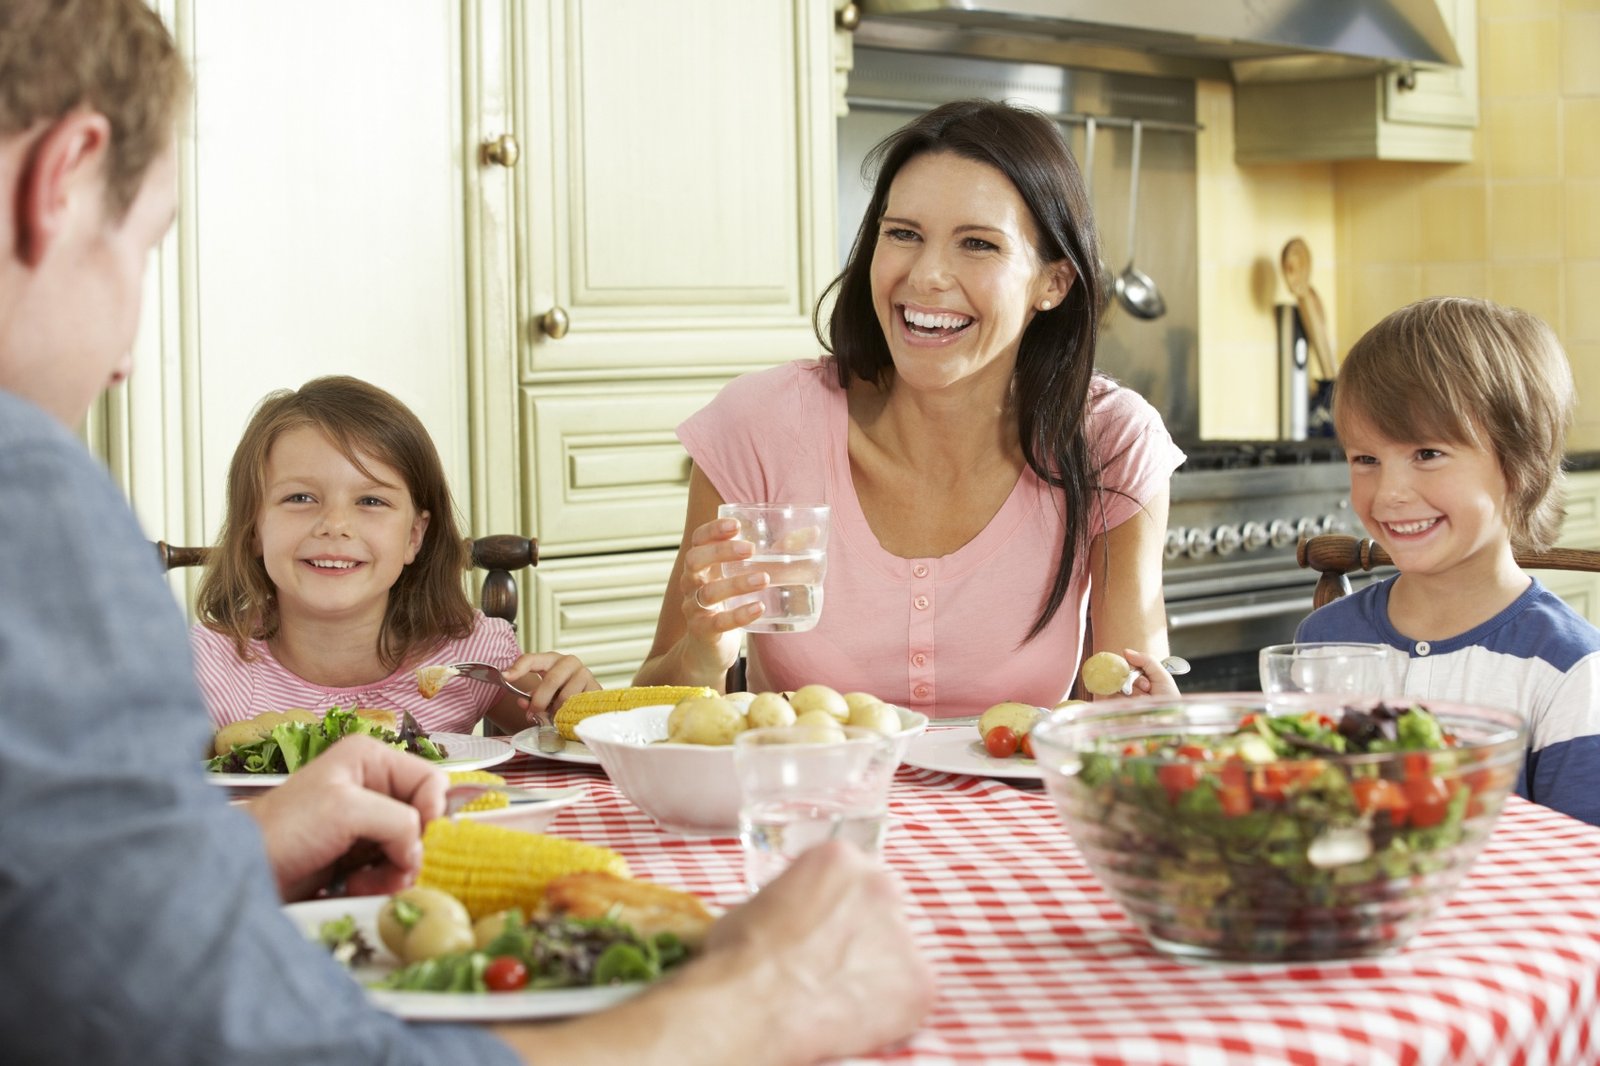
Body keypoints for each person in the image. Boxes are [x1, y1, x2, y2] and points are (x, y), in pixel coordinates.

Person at [0, 2, 933, 1063]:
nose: (125, 354)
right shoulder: (29, 502)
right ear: (62, 179)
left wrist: (223, 849)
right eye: (143, 244)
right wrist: (755, 1002)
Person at [636, 99, 1185, 716]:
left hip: (1016, 814)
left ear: (1052, 283)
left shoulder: (1110, 439)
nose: (926, 276)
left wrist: (1150, 708)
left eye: (977, 243)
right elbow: (652, 709)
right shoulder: (760, 426)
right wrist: (705, 652)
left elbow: (1126, 707)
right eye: (903, 234)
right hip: (800, 805)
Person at [1295, 296, 1600, 826]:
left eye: (1427, 454)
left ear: (1520, 462)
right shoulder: (1325, 639)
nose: (1389, 493)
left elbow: (1584, 867)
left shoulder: (1569, 670)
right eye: (1366, 459)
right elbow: (1295, 808)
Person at [191, 374, 596, 736]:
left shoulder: (466, 656)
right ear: (253, 528)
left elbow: (570, 739)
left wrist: (582, 705)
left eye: (370, 500)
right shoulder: (205, 668)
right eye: (300, 497)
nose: (334, 524)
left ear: (413, 536)